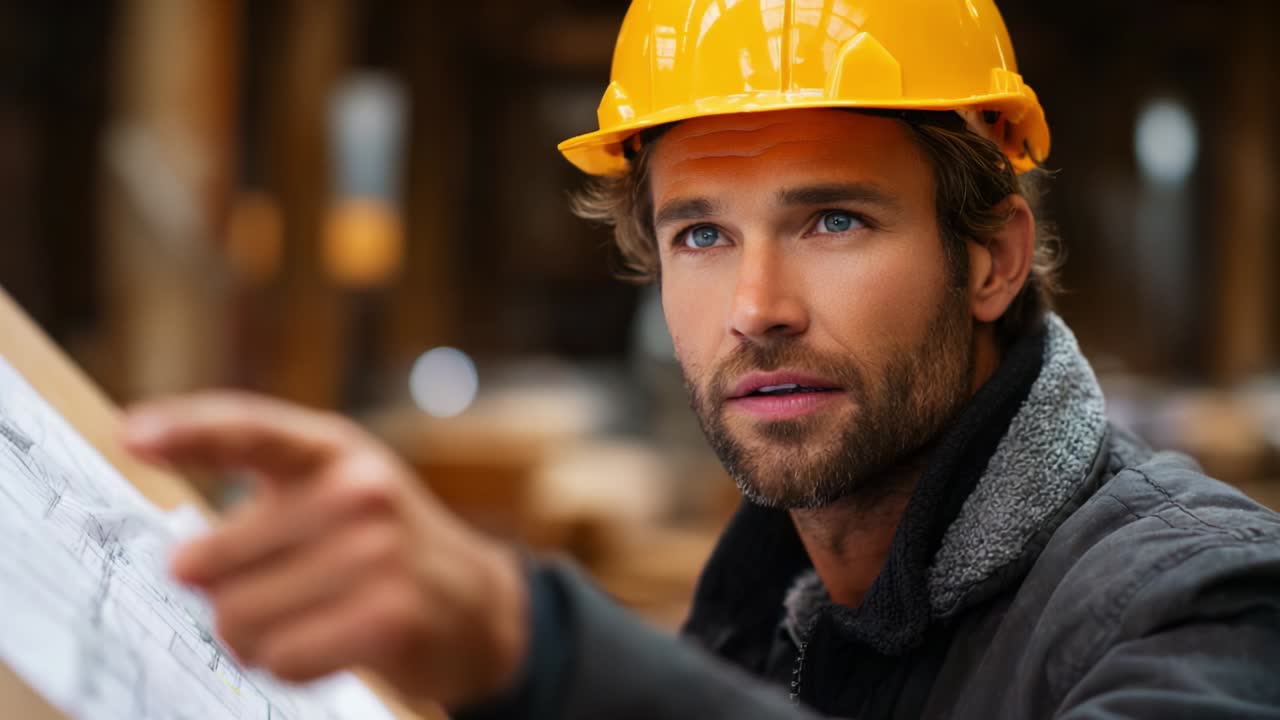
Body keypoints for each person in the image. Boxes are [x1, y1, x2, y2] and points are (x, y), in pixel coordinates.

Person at [121, 1, 1280, 718]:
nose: (754, 309)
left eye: (833, 221)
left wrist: (545, 653)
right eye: (701, 235)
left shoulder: (1200, 611)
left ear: (988, 259)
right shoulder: (761, 609)